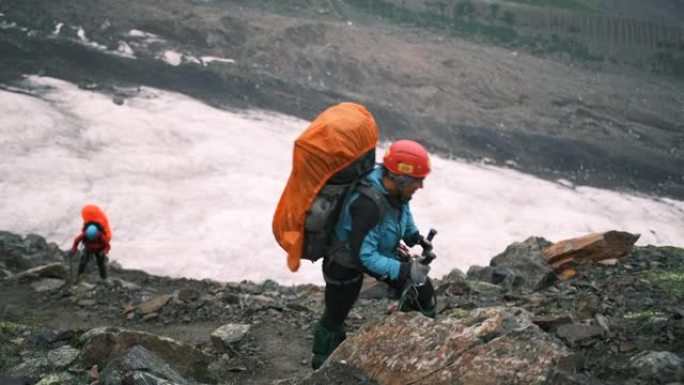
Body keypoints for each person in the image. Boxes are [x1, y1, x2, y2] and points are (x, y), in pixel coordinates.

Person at [311, 139, 436, 369]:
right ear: (401, 178)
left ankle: (410, 348)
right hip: (344, 263)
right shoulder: (367, 206)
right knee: (335, 315)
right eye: (418, 180)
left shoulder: (396, 192)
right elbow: (364, 257)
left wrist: (414, 237)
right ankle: (323, 366)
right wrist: (405, 270)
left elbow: (402, 212)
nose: (420, 186)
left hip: (380, 252)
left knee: (421, 291)